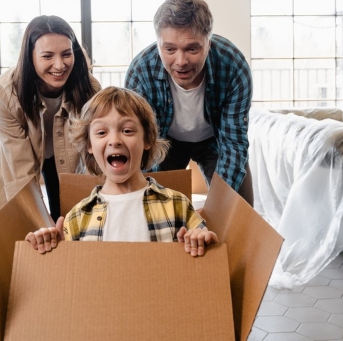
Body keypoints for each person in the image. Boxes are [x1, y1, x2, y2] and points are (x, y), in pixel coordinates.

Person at [26, 86, 217, 257]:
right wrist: (52, 247)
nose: (114, 140)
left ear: (147, 140)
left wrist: (200, 237)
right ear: (89, 145)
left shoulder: (177, 205)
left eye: (127, 130)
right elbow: (70, 278)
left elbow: (205, 244)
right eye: (101, 132)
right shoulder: (77, 217)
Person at [124, 0, 254, 205]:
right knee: (154, 210)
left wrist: (221, 207)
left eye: (192, 48)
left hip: (216, 141)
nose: (181, 61)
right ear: (158, 44)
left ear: (208, 43)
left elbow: (233, 142)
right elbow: (141, 141)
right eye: (170, 49)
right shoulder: (140, 72)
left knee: (238, 211)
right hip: (164, 142)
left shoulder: (233, 66)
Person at [0, 15, 100, 223]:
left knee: (67, 214)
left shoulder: (89, 88)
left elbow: (94, 152)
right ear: (30, 56)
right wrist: (41, 223)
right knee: (21, 219)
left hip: (66, 151)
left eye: (66, 54)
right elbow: (21, 175)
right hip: (15, 152)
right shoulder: (5, 92)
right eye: (47, 56)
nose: (59, 65)